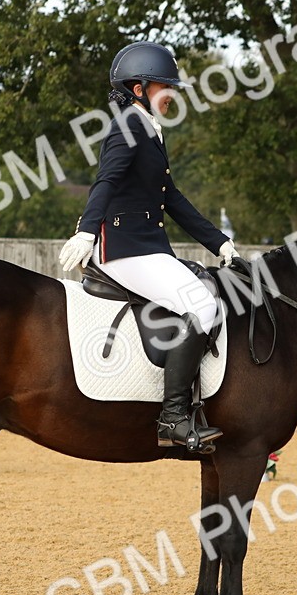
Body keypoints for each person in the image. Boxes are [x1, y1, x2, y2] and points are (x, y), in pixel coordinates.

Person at [59, 41, 239, 451]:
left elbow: (171, 198)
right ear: (138, 89)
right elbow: (105, 181)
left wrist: (220, 243)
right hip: (125, 249)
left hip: (148, 247)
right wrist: (87, 231)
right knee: (202, 305)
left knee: (207, 295)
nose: (171, 94)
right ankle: (173, 417)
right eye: (164, 86)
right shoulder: (127, 128)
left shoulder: (147, 129)